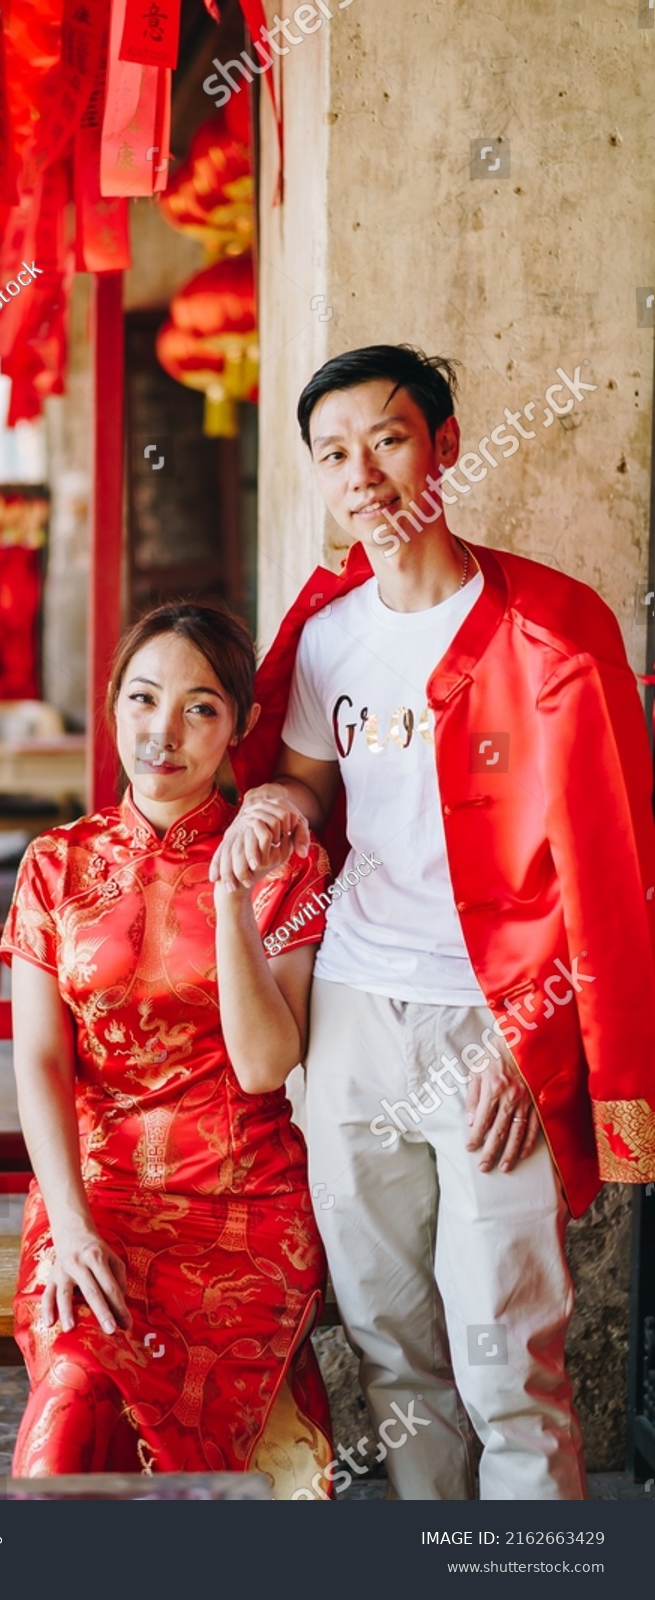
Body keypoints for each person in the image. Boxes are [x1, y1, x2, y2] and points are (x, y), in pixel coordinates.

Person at [212, 344, 655, 1500]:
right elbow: (313, 783)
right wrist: (273, 803)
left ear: (446, 445)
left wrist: (534, 1034)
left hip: (488, 1020)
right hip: (355, 1012)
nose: (362, 472)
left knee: (506, 1350)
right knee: (388, 1345)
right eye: (332, 453)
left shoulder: (551, 633)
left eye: (388, 438)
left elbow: (609, 870)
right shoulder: (324, 636)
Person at [0, 600, 335, 1494]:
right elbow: (38, 1059)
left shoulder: (286, 863)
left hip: (242, 1207)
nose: (163, 733)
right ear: (112, 706)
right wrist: (66, 1226)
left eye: (200, 708)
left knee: (205, 1441)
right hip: (93, 1197)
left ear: (242, 726)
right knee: (75, 1385)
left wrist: (230, 896)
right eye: (143, 700)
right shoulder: (53, 864)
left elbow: (265, 1066)